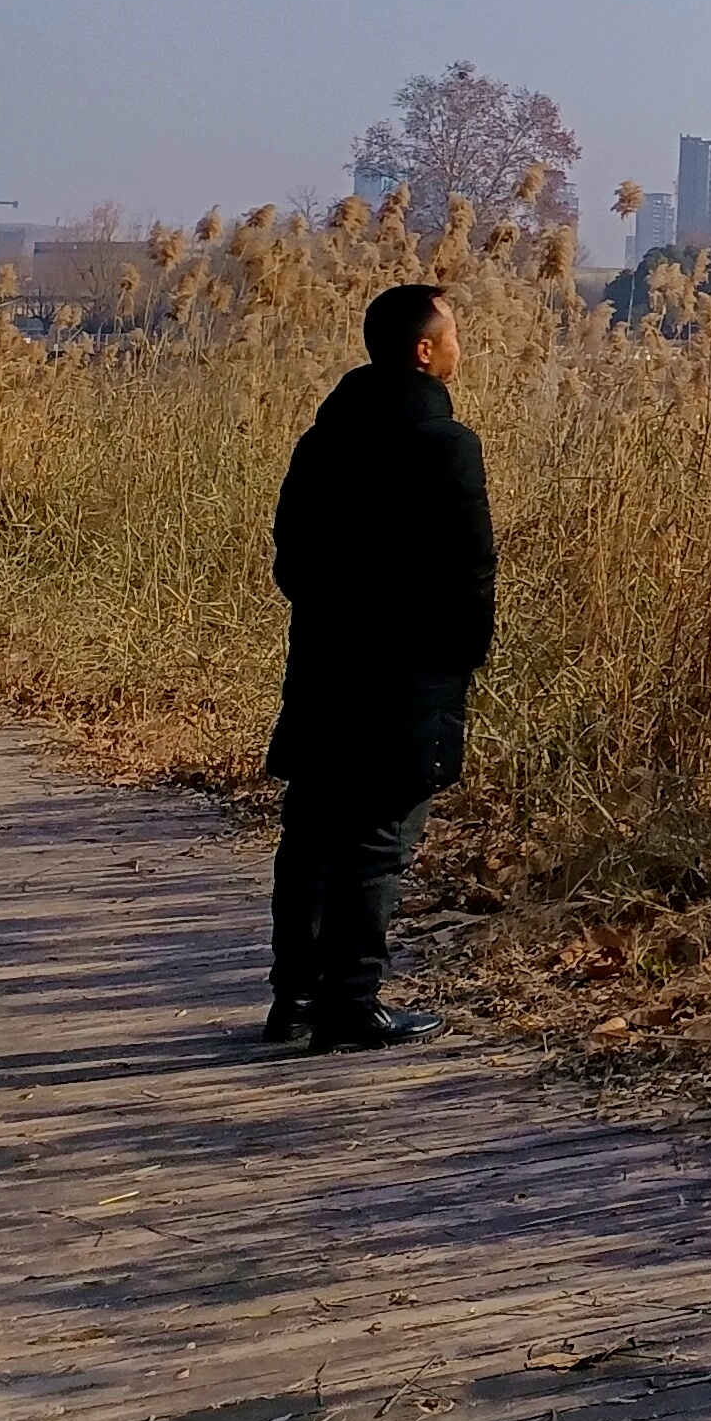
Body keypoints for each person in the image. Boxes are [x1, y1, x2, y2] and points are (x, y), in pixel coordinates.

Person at [263, 283, 496, 1051]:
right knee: (378, 836)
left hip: (326, 659)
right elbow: (471, 571)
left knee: (312, 830)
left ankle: (295, 998)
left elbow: (291, 557)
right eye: (453, 332)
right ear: (424, 350)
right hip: (410, 671)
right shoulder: (446, 445)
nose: (461, 344)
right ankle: (351, 1004)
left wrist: (336, 611)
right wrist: (461, 657)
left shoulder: (323, 438)